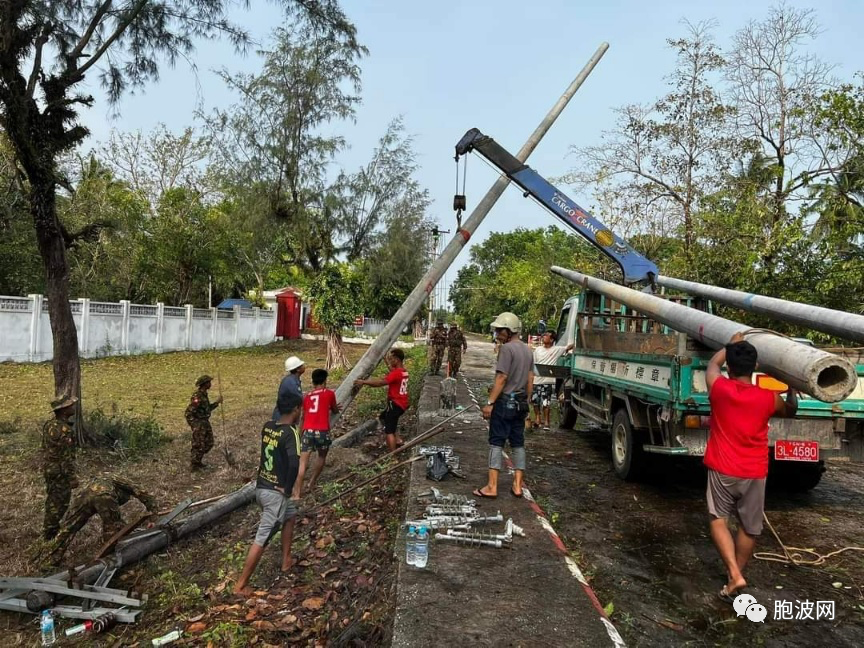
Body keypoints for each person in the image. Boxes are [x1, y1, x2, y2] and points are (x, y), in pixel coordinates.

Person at [706, 332, 798, 602]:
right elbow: (790, 410)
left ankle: (734, 574)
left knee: (718, 519)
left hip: (723, 468)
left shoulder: (720, 389)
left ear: (730, 369)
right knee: (749, 527)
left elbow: (712, 365)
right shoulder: (768, 398)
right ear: (756, 367)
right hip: (754, 471)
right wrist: (791, 389)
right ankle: (736, 575)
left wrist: (730, 344)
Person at [234, 391, 303, 596]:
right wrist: (289, 489)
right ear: (295, 410)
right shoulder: (291, 432)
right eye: (300, 409)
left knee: (290, 516)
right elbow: (294, 463)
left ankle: (286, 560)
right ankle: (240, 585)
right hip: (276, 494)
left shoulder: (268, 426)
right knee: (262, 537)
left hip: (262, 487)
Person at [476, 312, 533, 499]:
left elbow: (502, 377)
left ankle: (492, 486)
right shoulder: (527, 350)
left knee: (496, 442)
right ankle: (517, 486)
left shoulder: (507, 349)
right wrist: (527, 401)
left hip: (505, 403)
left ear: (510, 330)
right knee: (518, 443)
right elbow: (530, 379)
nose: (497, 333)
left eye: (500, 330)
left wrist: (490, 403)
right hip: (521, 403)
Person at [45, 476, 157, 563]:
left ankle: (50, 558)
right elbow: (146, 496)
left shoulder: (109, 478)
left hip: (86, 493)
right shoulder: (128, 483)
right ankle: (110, 558)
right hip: (104, 495)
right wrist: (154, 517)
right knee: (113, 528)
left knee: (68, 527)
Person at [295, 369, 341, 498]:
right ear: (325, 380)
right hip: (322, 432)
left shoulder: (307, 396)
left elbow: (303, 417)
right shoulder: (329, 393)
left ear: (313, 381)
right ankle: (312, 482)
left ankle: (297, 493)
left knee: (302, 462)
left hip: (308, 431)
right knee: (321, 456)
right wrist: (335, 408)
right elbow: (335, 410)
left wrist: (300, 432)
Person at [355, 349, 410, 452]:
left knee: (388, 431)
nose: (389, 361)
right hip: (401, 404)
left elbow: (380, 383)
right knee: (383, 418)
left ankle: (392, 454)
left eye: (391, 359)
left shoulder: (396, 374)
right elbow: (392, 372)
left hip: (395, 405)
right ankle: (398, 440)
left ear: (397, 359)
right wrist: (385, 359)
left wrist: (364, 382)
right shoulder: (403, 371)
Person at [42, 396, 79, 540]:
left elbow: (44, 448)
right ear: (63, 410)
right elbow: (66, 458)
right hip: (60, 472)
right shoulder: (65, 430)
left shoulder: (49, 425)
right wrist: (72, 478)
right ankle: (49, 534)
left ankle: (50, 528)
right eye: (70, 405)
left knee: (52, 499)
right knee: (59, 503)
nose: (73, 407)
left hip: (50, 469)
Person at [531, 331, 573, 430]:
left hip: (547, 381)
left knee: (546, 402)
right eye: (544, 335)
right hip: (536, 380)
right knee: (535, 401)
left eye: (546, 335)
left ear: (551, 339)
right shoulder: (538, 350)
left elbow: (568, 347)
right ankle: (537, 419)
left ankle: (546, 422)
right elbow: (533, 364)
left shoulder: (556, 350)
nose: (543, 336)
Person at [185, 375, 223, 470]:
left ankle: (198, 461)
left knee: (209, 442)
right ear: (204, 384)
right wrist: (194, 424)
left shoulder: (204, 395)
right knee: (198, 443)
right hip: (199, 423)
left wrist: (217, 403)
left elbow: (206, 409)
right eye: (208, 382)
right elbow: (189, 412)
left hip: (204, 421)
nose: (210, 384)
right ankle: (194, 464)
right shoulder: (197, 396)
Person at [272, 356, 305, 421]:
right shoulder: (291, 382)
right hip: (283, 417)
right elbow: (299, 399)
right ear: (298, 369)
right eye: (301, 365)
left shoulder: (292, 379)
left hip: (286, 415)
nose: (304, 366)